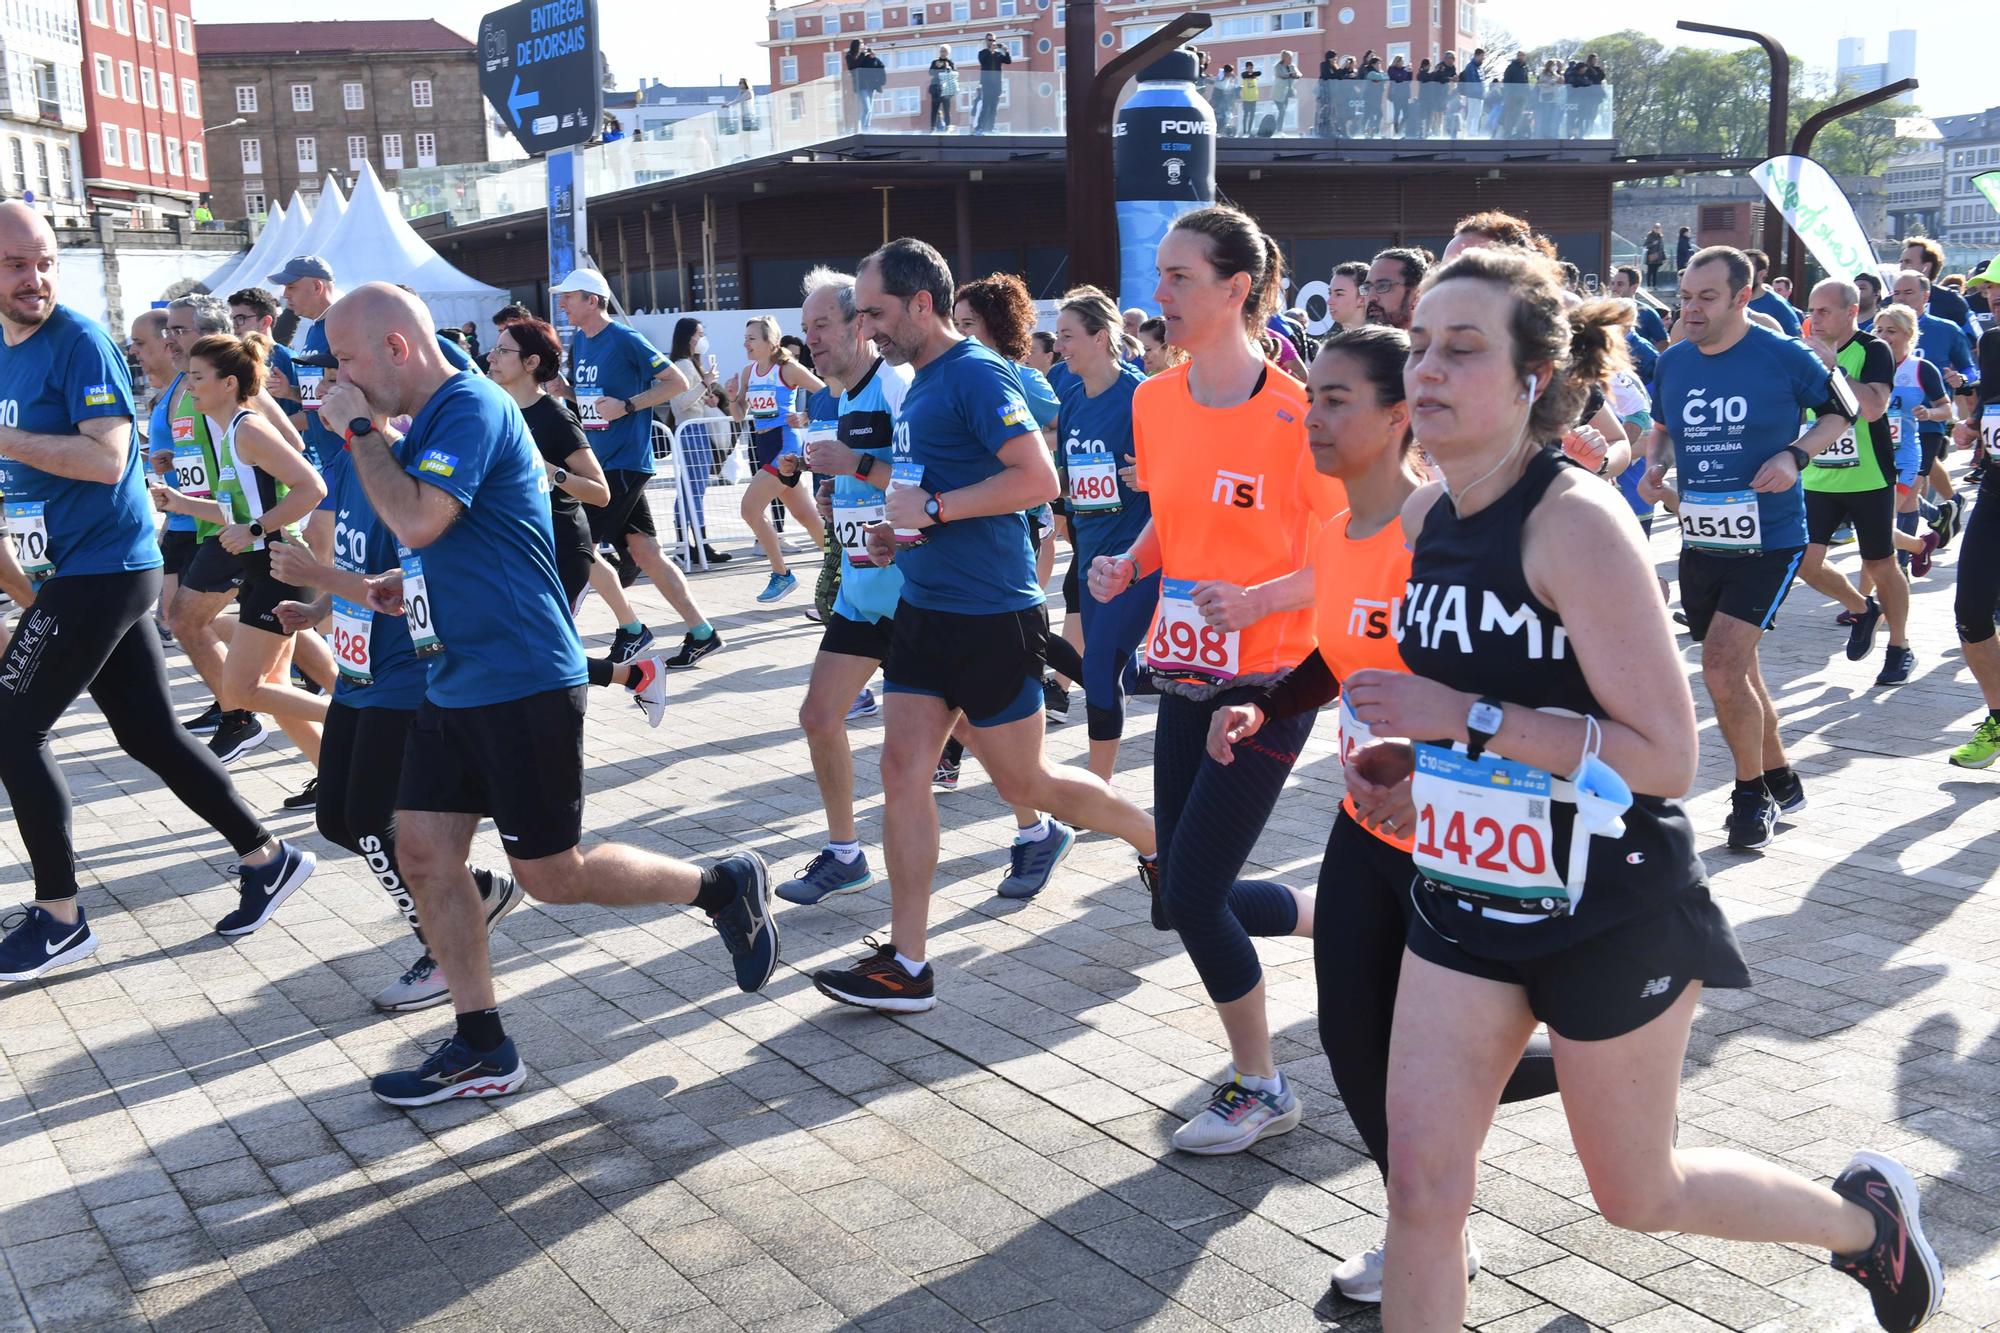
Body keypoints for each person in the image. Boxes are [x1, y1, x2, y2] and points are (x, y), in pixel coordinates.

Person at [1350, 240, 1940, 1333]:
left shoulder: (1572, 520)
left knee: (1637, 1195)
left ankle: (1864, 1223)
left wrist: (1468, 722)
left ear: (1532, 377)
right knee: (1422, 1189)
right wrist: (1414, 770)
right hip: (1465, 893)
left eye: (1460, 349)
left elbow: (1665, 759)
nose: (1423, 370)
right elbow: (1463, 690)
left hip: (1607, 906)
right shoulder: (1426, 516)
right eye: (1419, 345)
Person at [316, 283, 777, 1106]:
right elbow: (445, 540)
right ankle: (481, 1043)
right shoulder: (427, 423)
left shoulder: (469, 405)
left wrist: (359, 429)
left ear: (393, 348)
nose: (333, 376)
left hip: (523, 679)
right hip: (452, 678)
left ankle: (720, 886)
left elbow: (420, 516)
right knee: (423, 851)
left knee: (553, 875)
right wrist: (398, 584)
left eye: (344, 358)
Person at [1205, 324, 1559, 1302]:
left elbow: (1481, 670)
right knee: (1355, 1038)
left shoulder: (1432, 530)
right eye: (1308, 395)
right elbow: (1335, 654)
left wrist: (1432, 770)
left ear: (1398, 413)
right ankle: (1430, 1213)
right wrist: (1263, 701)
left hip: (1449, 834)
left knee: (1425, 1048)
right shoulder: (1334, 535)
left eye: (1334, 400)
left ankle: (1442, 1225)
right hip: (1363, 827)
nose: (1310, 417)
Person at [809, 238, 1158, 1014]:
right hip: (924, 611)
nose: (865, 329)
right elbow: (929, 485)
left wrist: (933, 509)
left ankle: (1156, 841)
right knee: (902, 772)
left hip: (992, 615)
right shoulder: (924, 381)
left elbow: (1038, 478)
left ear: (922, 304)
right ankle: (906, 962)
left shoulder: (973, 372)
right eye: (859, 314)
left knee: (1026, 782)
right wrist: (899, 529)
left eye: (875, 312)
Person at [0, 201, 317, 981]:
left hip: (105, 564)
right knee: (147, 733)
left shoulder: (78, 344)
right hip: (62, 569)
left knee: (11, 728)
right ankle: (267, 856)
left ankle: (60, 915)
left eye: (43, 260)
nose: (35, 277)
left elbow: (109, 461)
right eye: (16, 264)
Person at [1089, 206, 1331, 1154]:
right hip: (1183, 670)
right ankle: (1342, 915)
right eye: (1160, 275)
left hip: (1271, 680)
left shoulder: (1299, 415)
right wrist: (1130, 563)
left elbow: (1353, 557)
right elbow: (1173, 522)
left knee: (1192, 895)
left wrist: (1261, 597)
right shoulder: (1154, 401)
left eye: (1181, 277)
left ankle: (1261, 1083)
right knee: (1178, 891)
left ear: (1237, 289)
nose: (1160, 295)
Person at [1639, 247, 1861, 850]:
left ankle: (1748, 797)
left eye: (1706, 297)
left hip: (1771, 537)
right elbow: (1662, 427)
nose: (1690, 308)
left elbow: (1845, 410)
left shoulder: (1783, 354)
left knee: (1718, 667)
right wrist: (1654, 467)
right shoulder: (1674, 361)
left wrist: (1795, 455)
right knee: (1738, 670)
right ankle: (1779, 771)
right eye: (1685, 296)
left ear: (1742, 298)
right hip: (1702, 536)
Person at [783, 267, 914, 905]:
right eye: (805, 329)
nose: (811, 339)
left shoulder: (897, 385)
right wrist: (838, 496)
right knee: (818, 714)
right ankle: (845, 851)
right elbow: (860, 483)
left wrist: (858, 467)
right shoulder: (831, 399)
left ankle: (1038, 825)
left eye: (823, 326)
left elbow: (925, 484)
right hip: (863, 593)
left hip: (916, 596)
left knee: (982, 739)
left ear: (860, 324)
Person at [160, 293, 334, 764]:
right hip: (262, 566)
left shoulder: (248, 429)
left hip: (280, 565)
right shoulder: (223, 433)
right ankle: (337, 779)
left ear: (228, 382)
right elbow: (236, 512)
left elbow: (311, 487)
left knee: (244, 692)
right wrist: (179, 502)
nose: (189, 388)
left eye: (198, 378)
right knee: (270, 689)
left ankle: (364, 721)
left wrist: (257, 531)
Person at [553, 267, 724, 668]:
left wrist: (628, 405)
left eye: (569, 296)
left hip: (623, 463)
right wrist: (568, 393)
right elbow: (597, 402)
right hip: (601, 462)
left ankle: (626, 630)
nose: (562, 303)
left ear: (593, 300)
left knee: (578, 548)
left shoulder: (625, 338)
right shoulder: (581, 340)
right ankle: (702, 633)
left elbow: (677, 382)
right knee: (646, 552)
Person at [1791, 279, 1914, 686]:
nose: (1815, 319)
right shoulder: (1802, 351)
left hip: (1868, 477)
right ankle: (1863, 609)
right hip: (1818, 475)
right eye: (1811, 310)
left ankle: (1899, 647)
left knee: (1880, 563)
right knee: (1805, 562)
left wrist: (1833, 368)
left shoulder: (1872, 349)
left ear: (1851, 312)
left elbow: (1876, 407)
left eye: (1824, 311)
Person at [1052, 286, 1153, 780]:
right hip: (1090, 554)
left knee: (1098, 669)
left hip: (1134, 554)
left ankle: (1098, 788)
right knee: (1114, 665)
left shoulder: (1140, 396)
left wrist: (1152, 476)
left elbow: (1175, 470)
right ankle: (1161, 681)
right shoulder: (1071, 399)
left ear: (1100, 337)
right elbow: (1069, 476)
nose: (1059, 346)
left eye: (1068, 336)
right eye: (1057, 337)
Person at [725, 314, 827, 602]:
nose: (746, 343)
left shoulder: (787, 369)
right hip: (763, 445)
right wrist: (733, 397)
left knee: (749, 509)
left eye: (752, 338)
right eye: (745, 338)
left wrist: (806, 416)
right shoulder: (748, 372)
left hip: (786, 446)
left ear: (771, 342)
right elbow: (738, 416)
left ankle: (781, 574)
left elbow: (827, 394)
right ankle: (843, 566)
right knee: (805, 515)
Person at [664, 316, 732, 568]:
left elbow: (688, 402)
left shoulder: (688, 363)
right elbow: (680, 402)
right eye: (698, 333)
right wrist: (705, 383)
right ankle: (694, 544)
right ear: (688, 337)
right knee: (693, 489)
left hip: (693, 430)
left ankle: (692, 543)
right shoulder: (682, 364)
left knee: (691, 489)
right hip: (690, 432)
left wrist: (708, 396)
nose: (701, 338)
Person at [1889, 269, 1978, 392]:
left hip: (1933, 408)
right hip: (1886, 409)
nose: (1901, 298)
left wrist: (1962, 379)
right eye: (1896, 293)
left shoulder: (1947, 330)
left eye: (1908, 293)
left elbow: (1970, 369)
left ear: (1926, 296)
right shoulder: (1876, 330)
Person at [1740, 249, 1803, 338]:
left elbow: (1798, 341)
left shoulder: (1778, 305)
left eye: (1747, 270)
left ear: (1761, 274)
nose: (1740, 275)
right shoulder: (1734, 302)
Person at [1365, 246, 1428, 330]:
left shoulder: (1441, 342)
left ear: (1416, 294)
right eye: (1367, 287)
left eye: (1382, 286)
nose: (1371, 298)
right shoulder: (1352, 341)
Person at [973, 32, 1010, 135]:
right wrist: (990, 51)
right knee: (985, 106)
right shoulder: (983, 53)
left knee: (994, 108)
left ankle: (991, 128)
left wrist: (1006, 51)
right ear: (986, 41)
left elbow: (1008, 61)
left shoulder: (998, 54)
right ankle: (979, 128)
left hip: (997, 84)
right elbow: (983, 61)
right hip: (987, 84)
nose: (992, 42)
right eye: (990, 40)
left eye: (994, 40)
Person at [1327, 260, 1369, 333]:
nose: (1329, 302)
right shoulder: (1333, 342)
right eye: (1330, 293)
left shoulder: (1384, 342)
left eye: (1339, 294)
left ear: (1362, 299)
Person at [928, 47, 957, 133]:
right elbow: (930, 73)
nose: (943, 53)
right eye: (941, 51)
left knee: (946, 109)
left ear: (948, 53)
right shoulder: (935, 62)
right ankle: (932, 128)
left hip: (946, 89)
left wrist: (949, 69)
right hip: (936, 88)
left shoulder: (950, 62)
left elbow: (954, 74)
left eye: (945, 51)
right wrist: (937, 68)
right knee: (934, 109)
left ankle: (947, 126)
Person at [1274, 50, 1301, 132]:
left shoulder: (1292, 66)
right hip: (1278, 92)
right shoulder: (1278, 66)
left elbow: (1299, 74)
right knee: (1281, 110)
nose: (1291, 59)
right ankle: (1277, 128)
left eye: (1291, 58)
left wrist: (1296, 75)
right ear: (1284, 58)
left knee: (1283, 111)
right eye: (1289, 58)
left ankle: (1279, 128)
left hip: (1287, 92)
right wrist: (1290, 75)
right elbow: (1280, 75)